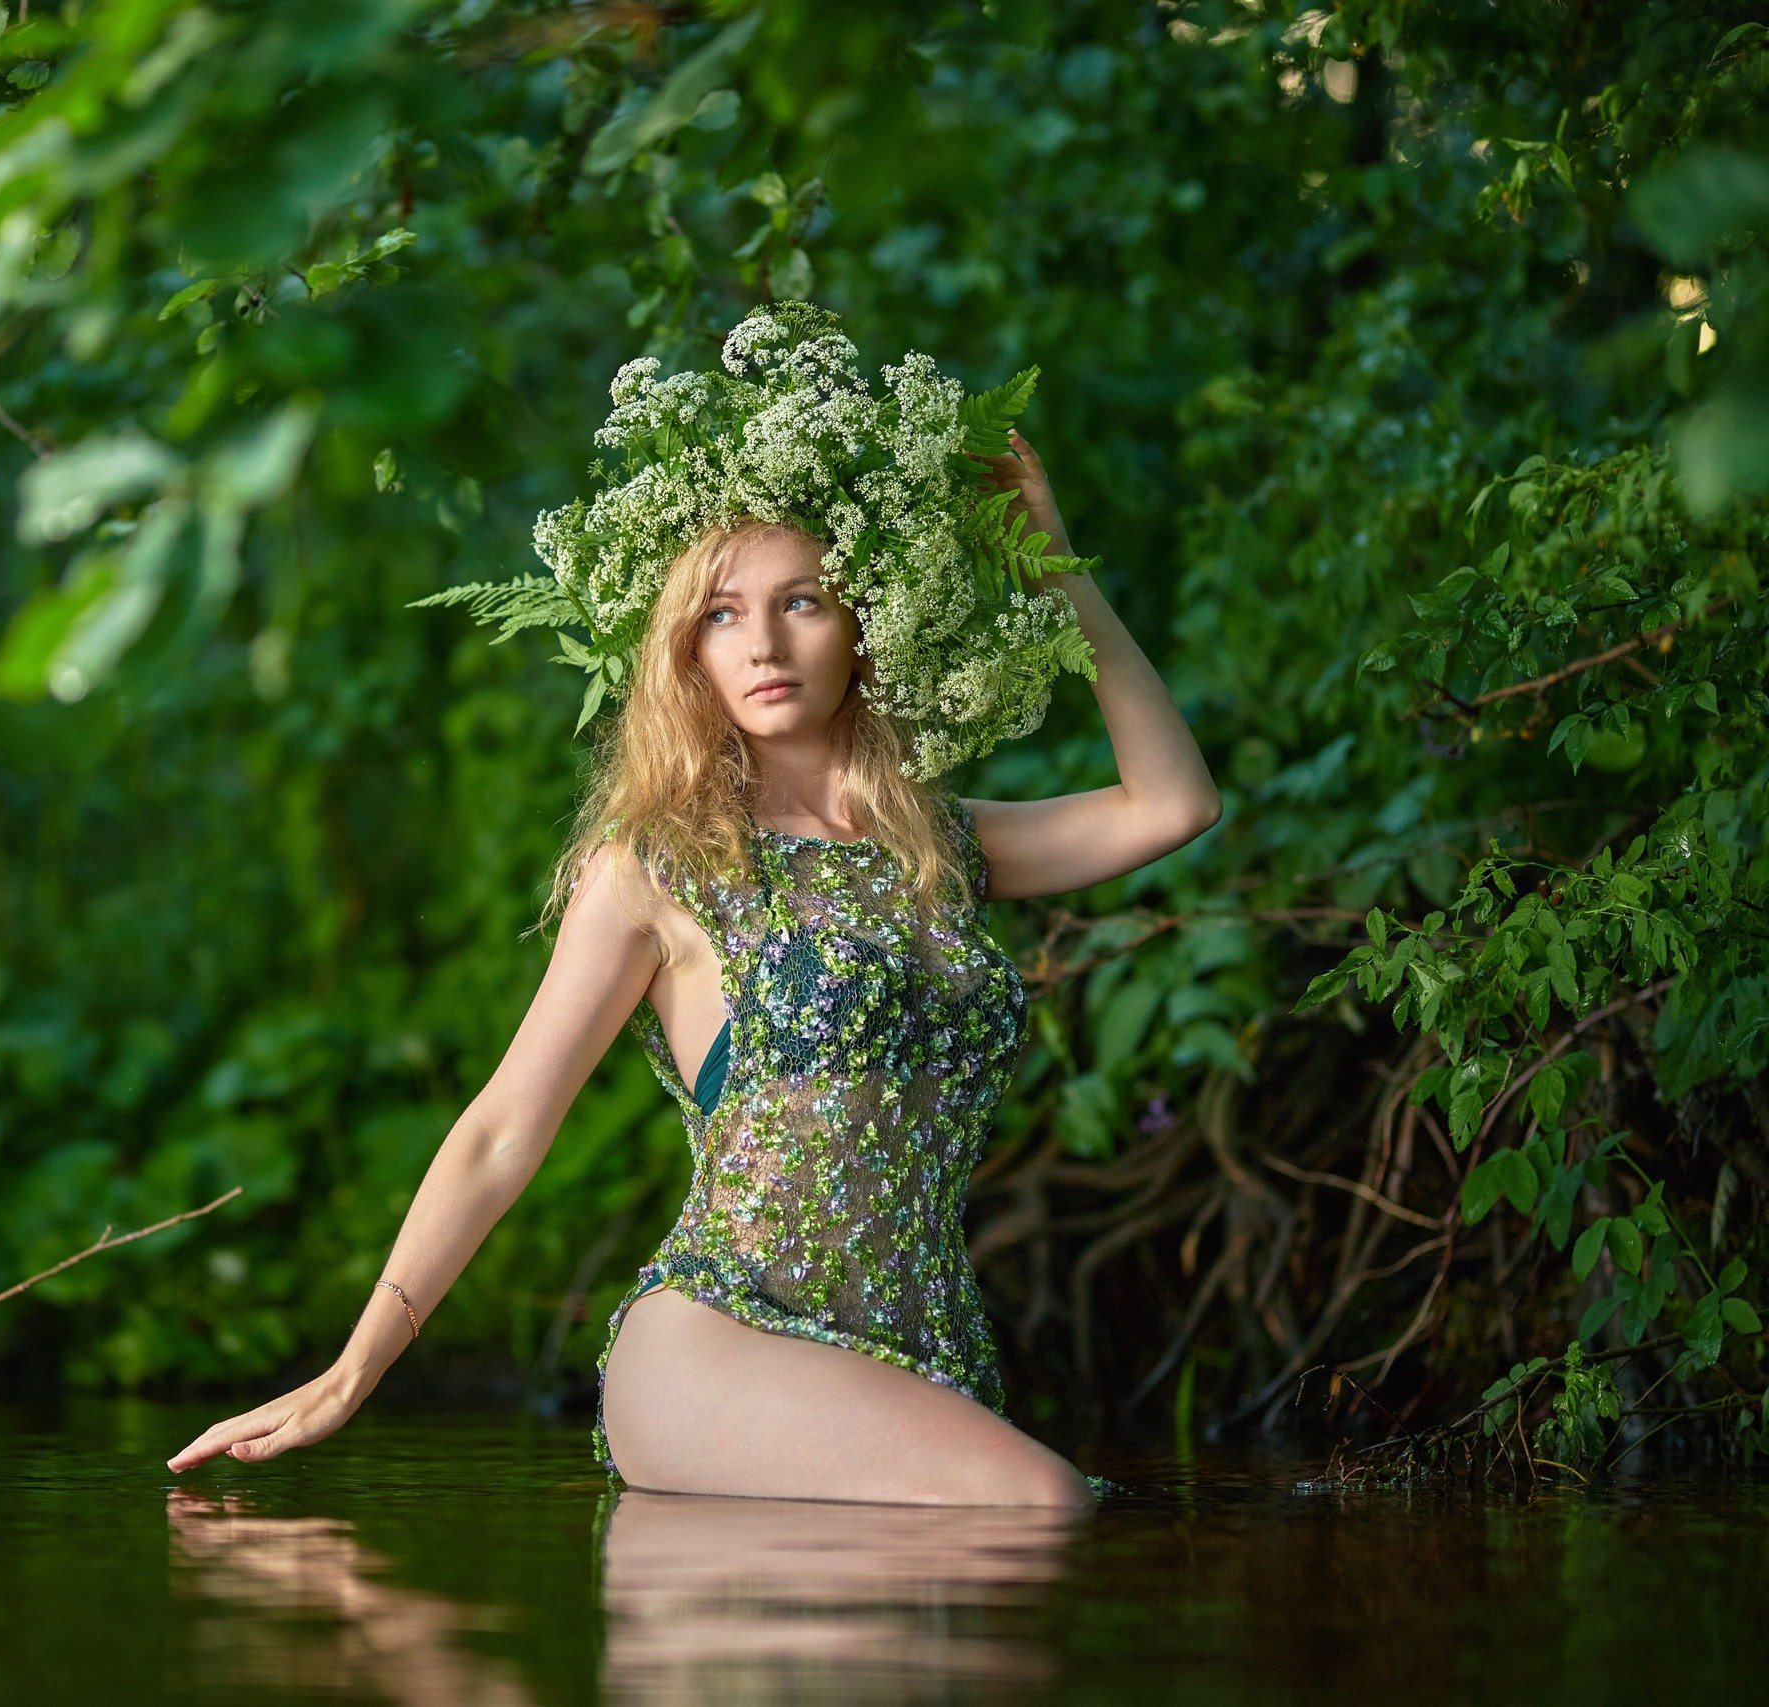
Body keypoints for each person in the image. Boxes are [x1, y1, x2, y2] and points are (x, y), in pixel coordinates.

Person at [168, 420, 1218, 1507]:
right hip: (716, 1346)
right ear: (688, 653)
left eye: (799, 601)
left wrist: (1056, 574)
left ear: (859, 623)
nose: (762, 643)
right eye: (722, 615)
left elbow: (1175, 804)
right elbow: (501, 1130)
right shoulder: (657, 868)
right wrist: (354, 1369)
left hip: (915, 1353)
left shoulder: (939, 848)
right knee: (1043, 1506)